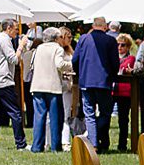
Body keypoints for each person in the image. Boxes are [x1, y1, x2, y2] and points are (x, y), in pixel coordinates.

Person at [72, 17, 118, 147]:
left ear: (93, 25)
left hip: (86, 81)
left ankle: (93, 142)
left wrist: (80, 72)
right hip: (104, 81)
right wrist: (113, 76)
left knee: (89, 114)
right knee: (106, 113)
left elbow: (75, 60)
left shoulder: (83, 39)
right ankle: (96, 137)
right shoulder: (110, 40)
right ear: (105, 26)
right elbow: (115, 64)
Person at [0, 19, 26, 149]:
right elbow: (14, 59)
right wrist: (21, 46)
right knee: (15, 113)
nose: (17, 32)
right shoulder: (4, 41)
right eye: (15, 29)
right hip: (4, 82)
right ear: (8, 28)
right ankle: (21, 143)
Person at [27, 28, 66, 152]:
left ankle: (37, 146)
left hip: (37, 86)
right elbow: (59, 64)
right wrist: (70, 65)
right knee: (56, 118)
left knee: (39, 117)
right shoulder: (57, 49)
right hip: (53, 87)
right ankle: (56, 146)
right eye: (60, 37)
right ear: (55, 38)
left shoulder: (39, 48)